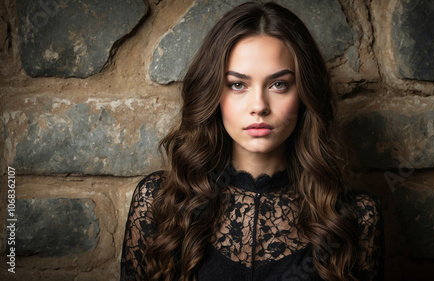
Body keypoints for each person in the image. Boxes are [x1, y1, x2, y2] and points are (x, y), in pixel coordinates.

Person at [121, 2, 384, 281]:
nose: (259, 106)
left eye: (278, 84)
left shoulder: (356, 218)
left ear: (305, 94)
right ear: (214, 94)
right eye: (237, 84)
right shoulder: (159, 204)